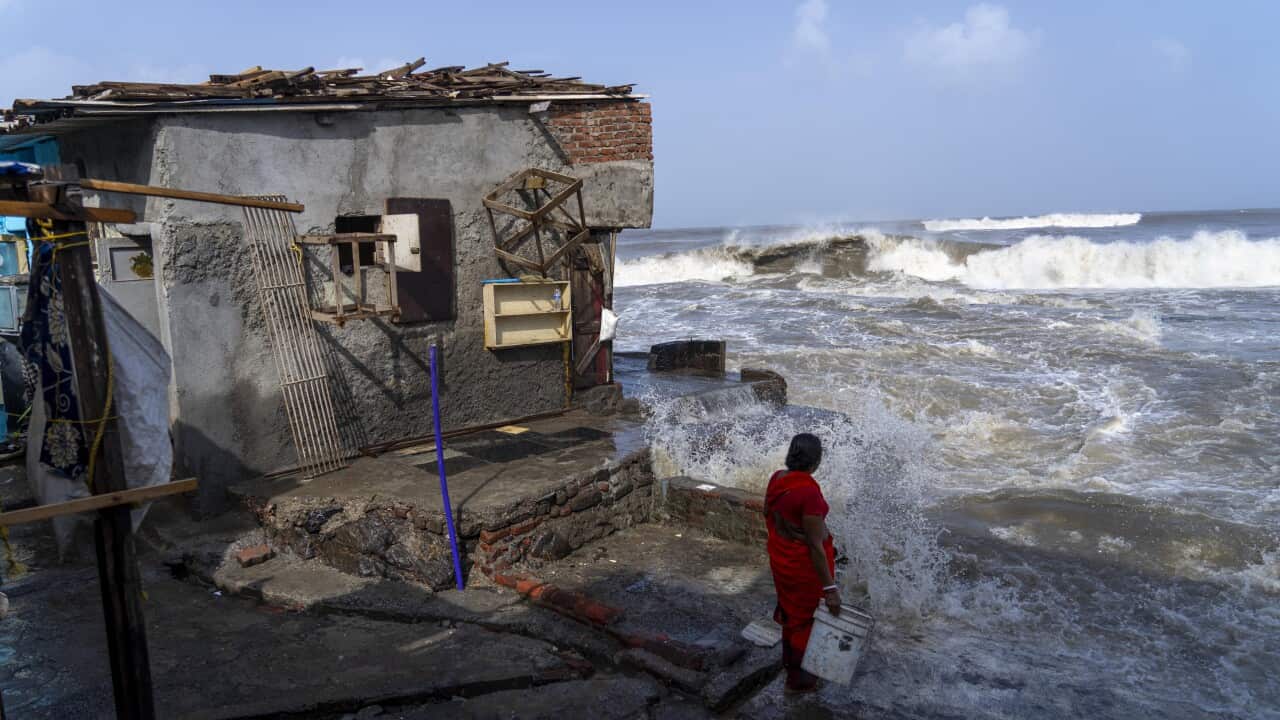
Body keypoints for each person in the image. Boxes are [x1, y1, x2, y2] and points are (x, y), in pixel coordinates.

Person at [765, 433, 840, 694]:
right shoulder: (808, 492)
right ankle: (799, 681)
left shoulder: (778, 479)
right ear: (815, 461)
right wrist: (830, 589)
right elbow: (815, 546)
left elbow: (772, 515)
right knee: (806, 622)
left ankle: (791, 666)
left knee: (792, 614)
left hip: (781, 559)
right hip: (803, 569)